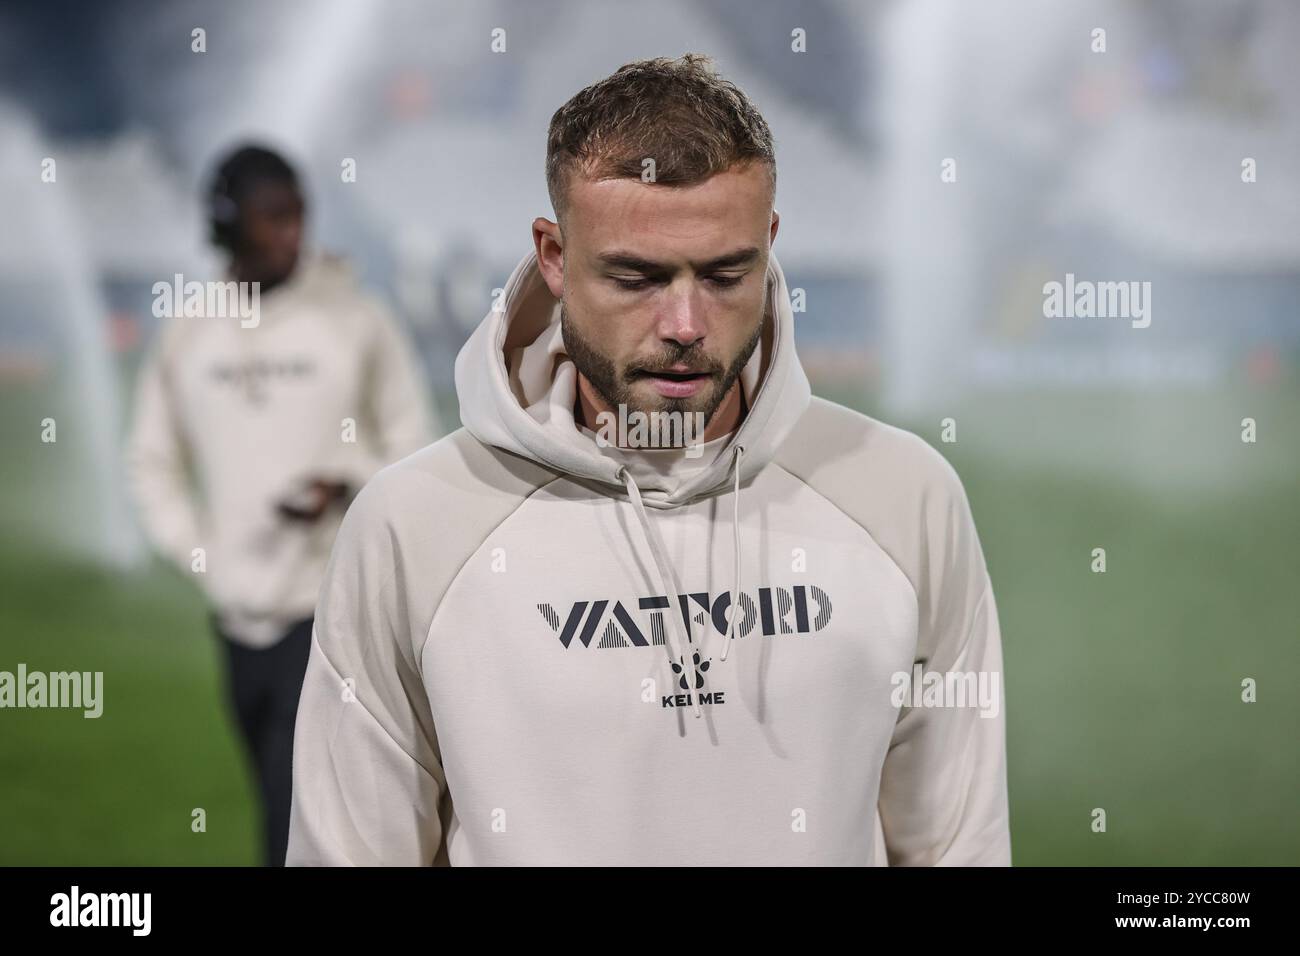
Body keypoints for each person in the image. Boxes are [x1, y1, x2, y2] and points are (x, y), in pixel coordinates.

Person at [287, 55, 1010, 866]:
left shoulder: (902, 496)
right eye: (637, 277)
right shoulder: (413, 526)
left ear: (769, 244)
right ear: (554, 258)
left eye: (726, 274)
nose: (685, 322)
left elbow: (957, 843)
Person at [126, 144, 438, 866]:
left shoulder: (356, 318)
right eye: (271, 217)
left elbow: (415, 447)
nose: (291, 233)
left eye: (297, 215)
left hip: (332, 611)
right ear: (225, 223)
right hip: (237, 617)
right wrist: (202, 556)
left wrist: (346, 478)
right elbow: (149, 463)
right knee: (280, 801)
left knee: (298, 808)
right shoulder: (190, 330)